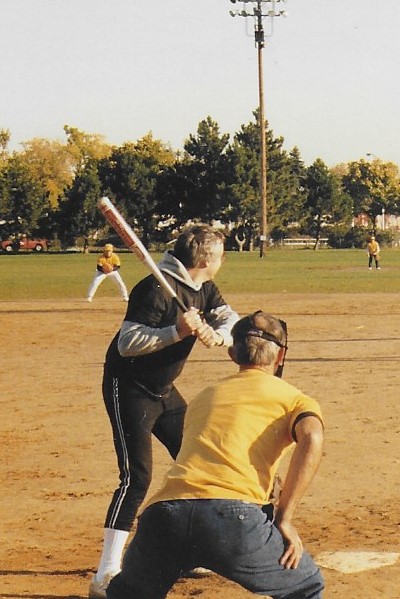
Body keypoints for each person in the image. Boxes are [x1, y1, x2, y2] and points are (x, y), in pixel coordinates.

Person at [104, 311, 326, 599]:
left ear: (233, 354)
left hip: (163, 515)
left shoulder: (204, 396)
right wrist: (283, 517)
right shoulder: (295, 398)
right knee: (307, 587)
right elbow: (312, 436)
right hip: (234, 520)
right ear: (280, 356)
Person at [89, 225, 239, 598]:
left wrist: (218, 335)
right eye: (220, 254)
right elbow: (127, 343)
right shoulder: (152, 288)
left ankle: (192, 549)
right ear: (204, 260)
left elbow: (229, 316)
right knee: (136, 477)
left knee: (196, 457)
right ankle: (106, 571)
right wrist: (176, 330)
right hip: (131, 389)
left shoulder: (202, 289)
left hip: (163, 389)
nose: (223, 260)